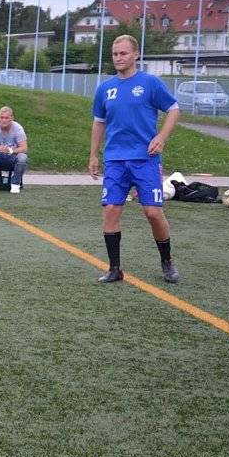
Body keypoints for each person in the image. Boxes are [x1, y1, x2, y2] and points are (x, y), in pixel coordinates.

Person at [89, 34, 180, 284]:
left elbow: (173, 109)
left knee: (152, 212)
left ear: (136, 55)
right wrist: (94, 155)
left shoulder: (150, 83)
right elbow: (99, 123)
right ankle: (115, 268)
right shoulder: (105, 88)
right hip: (115, 161)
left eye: (123, 53)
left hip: (145, 159)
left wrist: (161, 136)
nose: (118, 58)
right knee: (110, 211)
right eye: (115, 54)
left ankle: (167, 262)